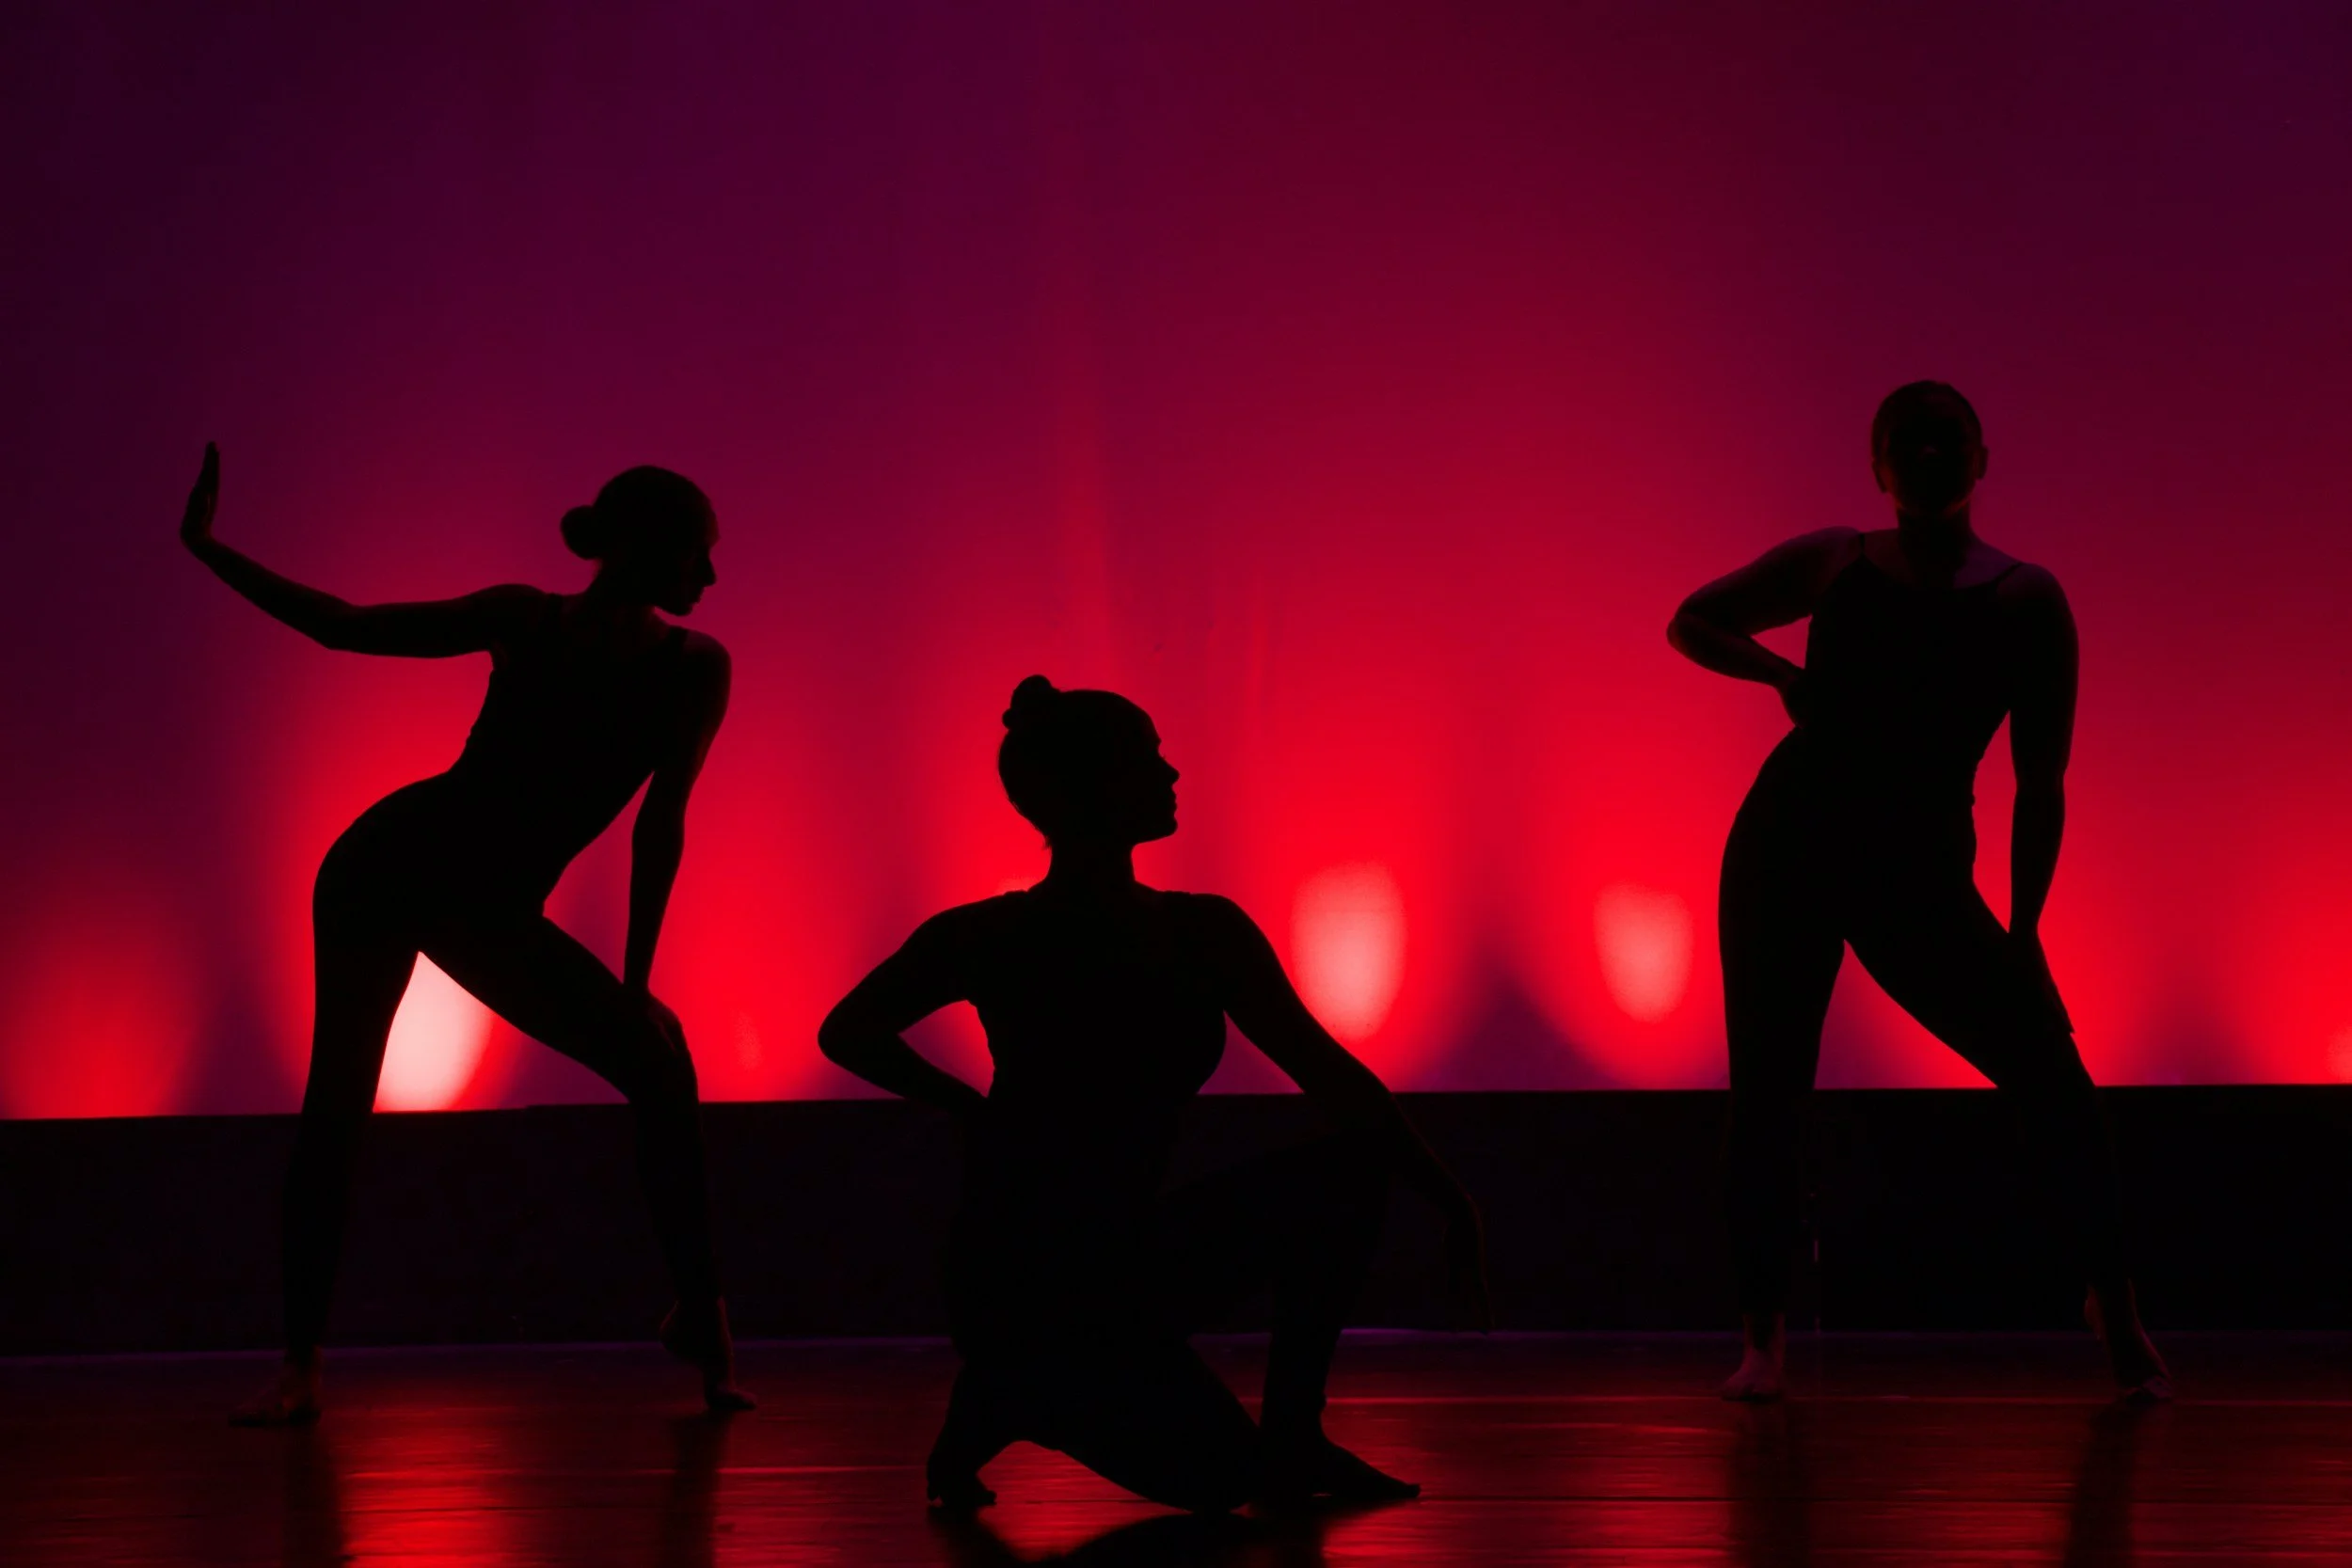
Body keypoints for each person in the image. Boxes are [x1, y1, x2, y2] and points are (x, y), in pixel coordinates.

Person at [818, 676, 1489, 1513]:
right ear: (1085, 789)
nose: (1171, 775)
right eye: (1148, 759)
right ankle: (1008, 1389)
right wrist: (967, 1109)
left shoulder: (1195, 930)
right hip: (1027, 1275)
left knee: (1347, 1176)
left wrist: (1446, 1194)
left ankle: (1279, 1431)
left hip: (1125, 1259)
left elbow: (1330, 1073)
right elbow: (845, 1031)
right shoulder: (1000, 933)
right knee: (1221, 1483)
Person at [180, 445, 751, 1422]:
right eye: (694, 553)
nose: (707, 576)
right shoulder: (521, 617)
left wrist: (635, 981)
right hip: (387, 868)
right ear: (643, 550)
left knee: (660, 1065)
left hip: (486, 903)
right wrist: (207, 548)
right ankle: (300, 1363)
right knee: (338, 1102)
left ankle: (701, 1317)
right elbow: (346, 628)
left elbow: (664, 825)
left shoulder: (692, 670)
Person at [1667, 383, 2169, 1403]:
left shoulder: (2026, 598)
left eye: (1947, 440)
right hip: (1791, 842)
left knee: (2050, 1075)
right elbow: (1692, 621)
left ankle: (2113, 1308)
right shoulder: (1835, 561)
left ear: (1982, 459)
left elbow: (2040, 780)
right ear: (1877, 464)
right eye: (1908, 441)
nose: (1930, 455)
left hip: (1914, 865)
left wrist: (2025, 933)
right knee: (1765, 1088)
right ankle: (1761, 1334)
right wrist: (1779, 675)